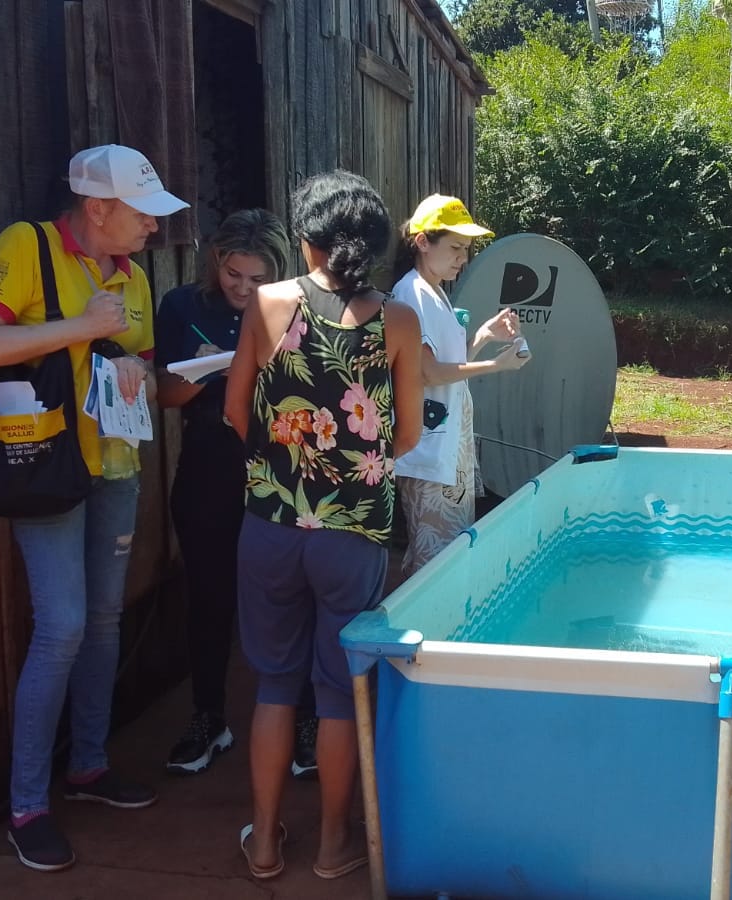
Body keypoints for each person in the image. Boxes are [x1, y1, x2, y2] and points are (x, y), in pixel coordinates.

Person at [0, 144, 188, 873]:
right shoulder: (25, 247)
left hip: (114, 466)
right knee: (60, 628)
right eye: (142, 215)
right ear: (97, 209)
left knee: (103, 620)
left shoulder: (134, 277)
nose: (153, 229)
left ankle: (87, 767)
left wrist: (140, 377)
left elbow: (142, 365)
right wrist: (83, 329)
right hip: (46, 469)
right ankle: (27, 806)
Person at [223, 170, 423, 881]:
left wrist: (288, 459)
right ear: (369, 245)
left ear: (303, 238)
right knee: (339, 689)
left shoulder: (268, 304)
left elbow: (234, 411)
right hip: (355, 530)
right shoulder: (398, 320)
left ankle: (268, 844)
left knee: (275, 683)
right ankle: (336, 846)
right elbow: (401, 438)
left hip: (272, 523)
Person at [154, 210, 320, 777]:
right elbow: (165, 395)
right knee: (208, 599)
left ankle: (305, 717)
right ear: (216, 264)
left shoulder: (298, 306)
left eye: (256, 278)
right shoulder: (182, 306)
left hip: (280, 469)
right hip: (207, 468)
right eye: (233, 275)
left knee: (291, 597)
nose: (243, 288)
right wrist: (204, 372)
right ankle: (208, 718)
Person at [390, 194, 529, 575]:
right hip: (431, 452)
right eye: (454, 248)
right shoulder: (412, 292)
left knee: (447, 553)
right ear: (422, 242)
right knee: (435, 564)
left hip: (448, 447)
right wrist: (494, 365)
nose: (462, 258)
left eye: (465, 249)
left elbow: (446, 362)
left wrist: (484, 335)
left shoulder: (434, 291)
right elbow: (428, 373)